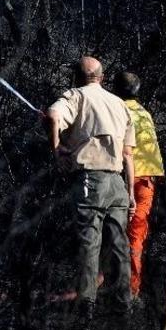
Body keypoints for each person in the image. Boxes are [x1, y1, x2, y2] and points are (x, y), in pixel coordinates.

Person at [45, 57, 136, 308]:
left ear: (76, 77)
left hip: (90, 180)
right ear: (102, 77)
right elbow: (128, 153)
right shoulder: (120, 104)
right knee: (119, 243)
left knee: (89, 241)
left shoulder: (76, 95)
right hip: (117, 182)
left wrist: (56, 150)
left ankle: (86, 305)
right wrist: (130, 193)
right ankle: (123, 303)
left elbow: (53, 116)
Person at [114, 71, 164, 299]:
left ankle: (124, 289)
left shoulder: (116, 110)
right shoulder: (145, 113)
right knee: (135, 236)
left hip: (124, 178)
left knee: (117, 234)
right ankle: (130, 289)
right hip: (146, 181)